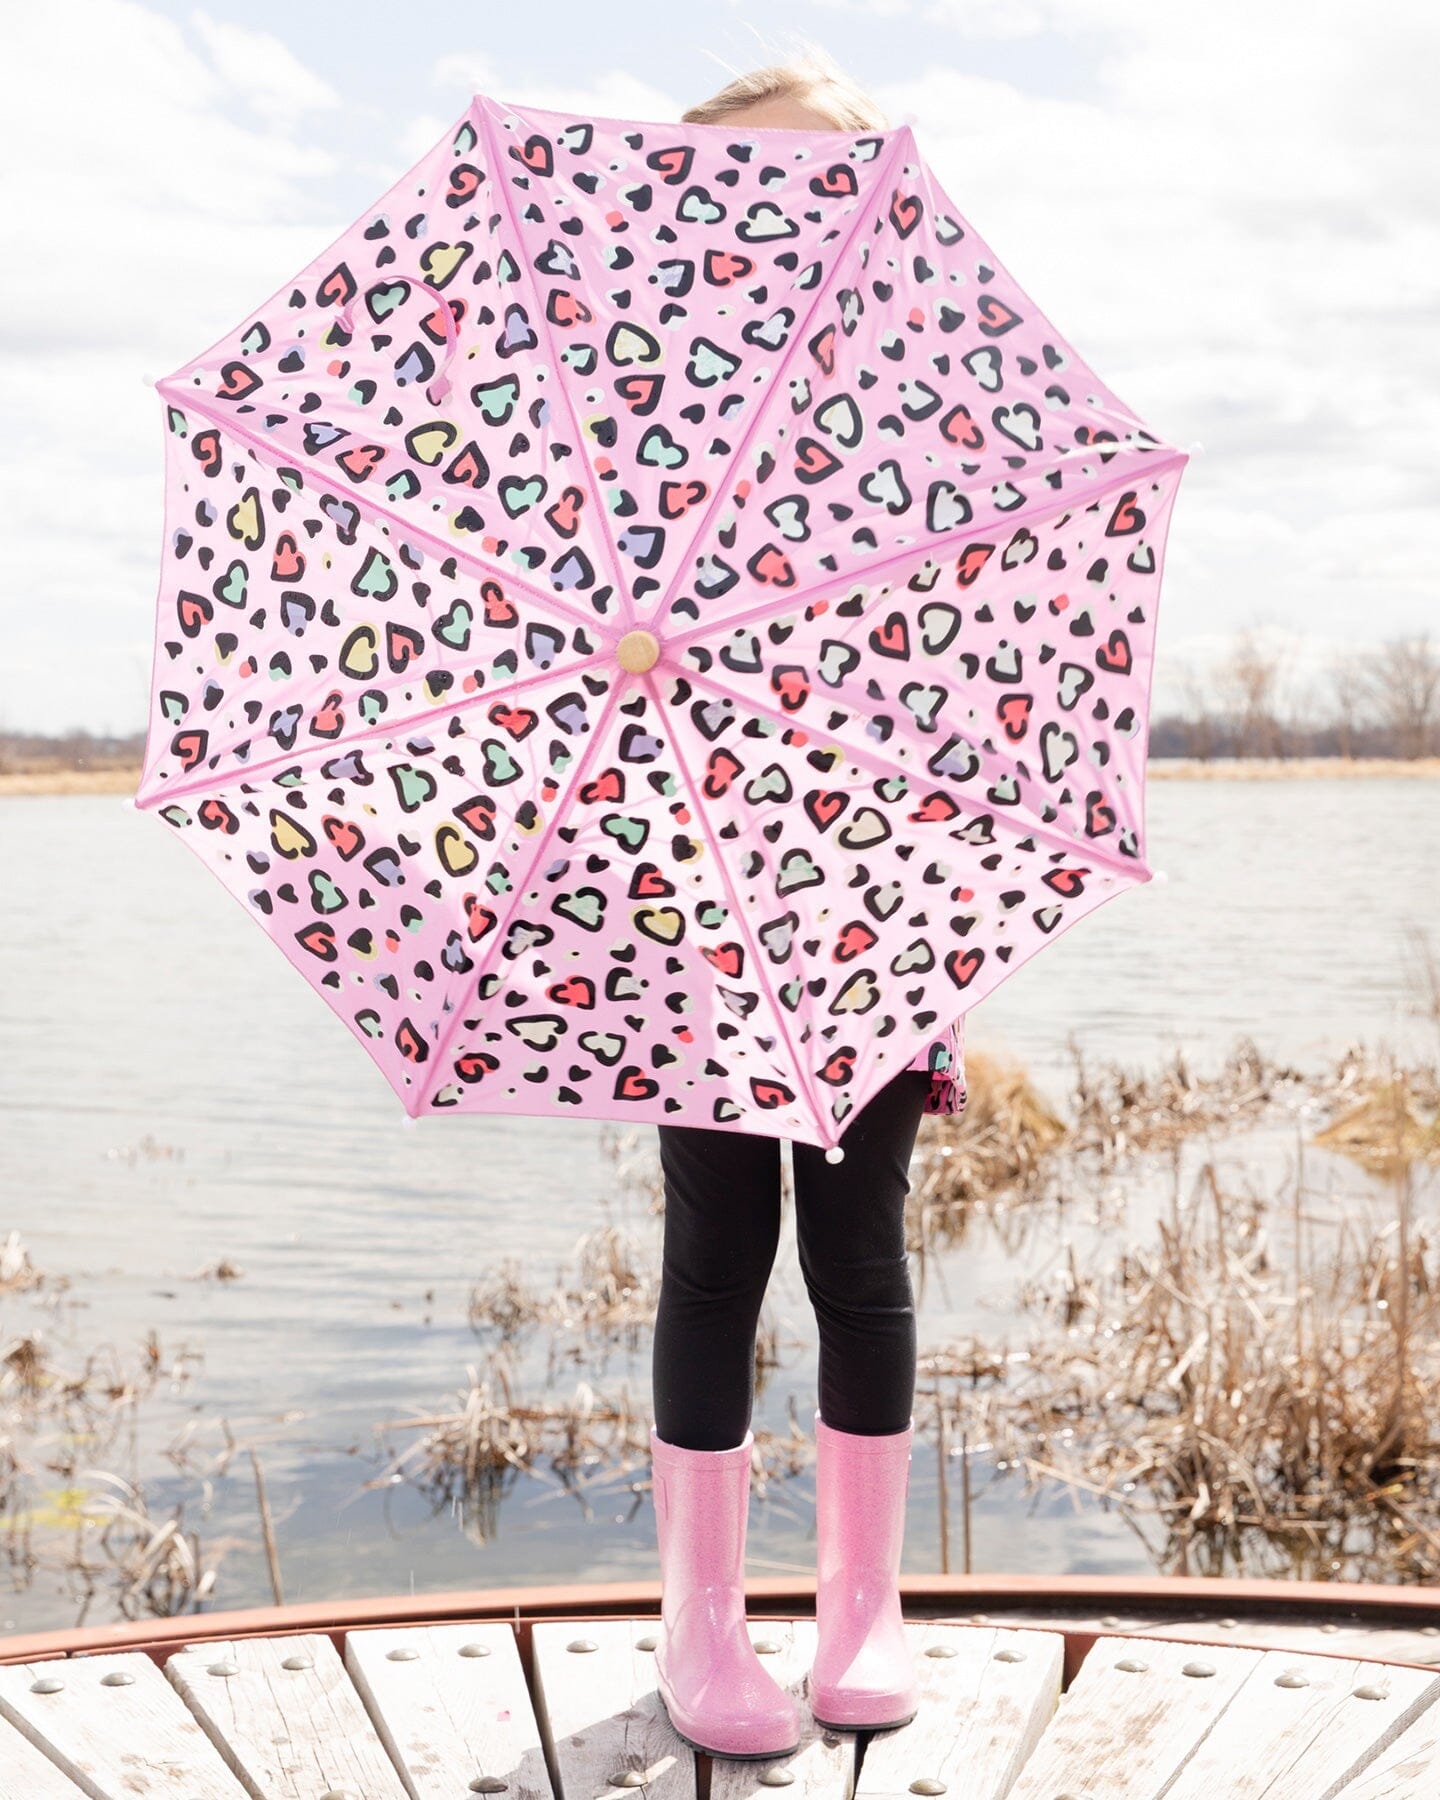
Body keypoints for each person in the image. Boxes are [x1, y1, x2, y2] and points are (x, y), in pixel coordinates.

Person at [645, 50, 970, 1761]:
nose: (819, 189)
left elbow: (963, 664)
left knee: (862, 1251)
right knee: (719, 1259)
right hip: (699, 889)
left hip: (876, 889)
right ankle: (703, 1634)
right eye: (780, 167)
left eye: (845, 162)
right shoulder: (654, 401)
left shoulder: (909, 386)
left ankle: (863, 1608)